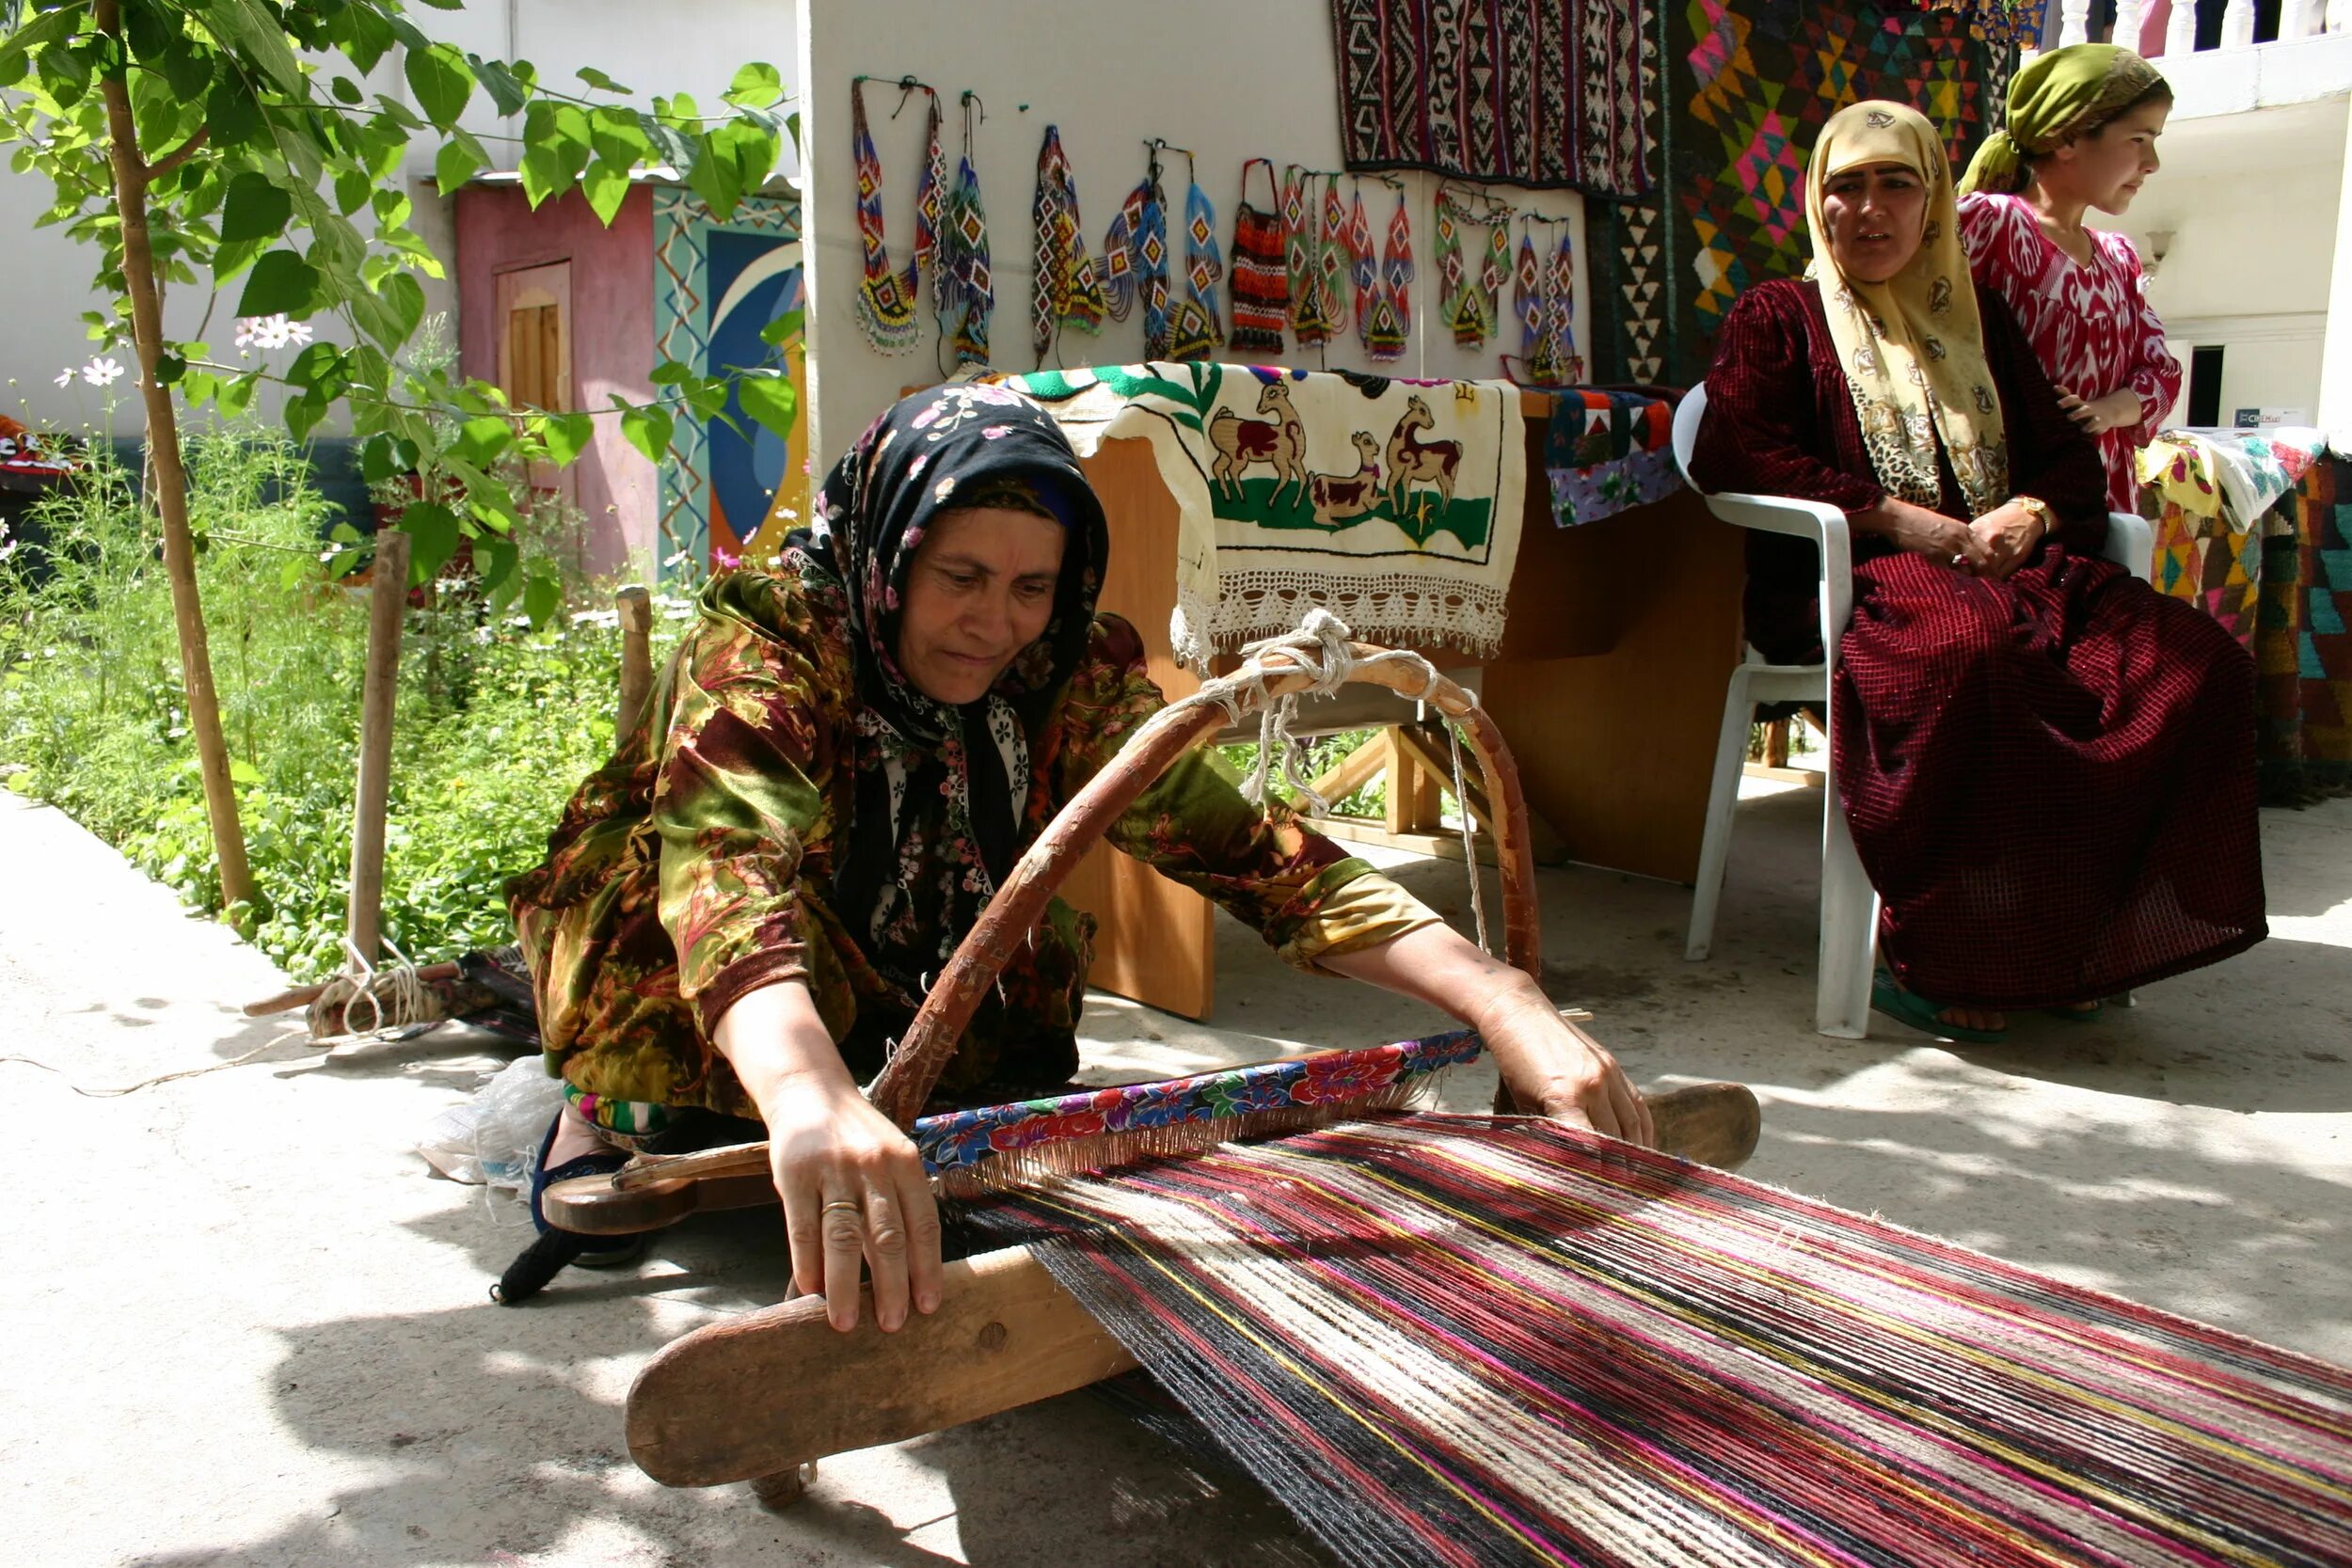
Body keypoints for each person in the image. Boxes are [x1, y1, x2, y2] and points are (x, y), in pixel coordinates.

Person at [503, 381, 1653, 1325]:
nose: (993, 621)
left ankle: (869, 1093)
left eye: (1029, 586)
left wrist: (1503, 997)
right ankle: (608, 1115)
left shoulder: (1063, 672)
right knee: (667, 984)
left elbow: (1258, 852)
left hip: (902, 965)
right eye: (959, 576)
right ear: (891, 556)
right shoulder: (772, 645)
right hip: (742, 964)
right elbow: (726, 873)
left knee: (997, 1020)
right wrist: (808, 1098)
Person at [1690, 100, 2265, 1042]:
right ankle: (1926, 956)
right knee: (1970, 652)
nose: (1868, 210)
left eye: (1895, 185)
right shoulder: (1779, 316)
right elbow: (1735, 450)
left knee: (2194, 663)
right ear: (1815, 201)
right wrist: (1901, 519)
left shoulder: (1979, 317)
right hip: (1863, 582)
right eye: (1846, 186)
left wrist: (2027, 512)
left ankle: (2079, 938)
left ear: (1932, 205)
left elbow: (2067, 459)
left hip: (2008, 569)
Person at [1958, 44, 2178, 513]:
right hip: (2007, 507)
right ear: (2067, 138)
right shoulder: (1991, 224)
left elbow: (2160, 370)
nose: (2153, 162)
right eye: (2139, 139)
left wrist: (2106, 412)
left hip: (2103, 507)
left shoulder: (2119, 257)